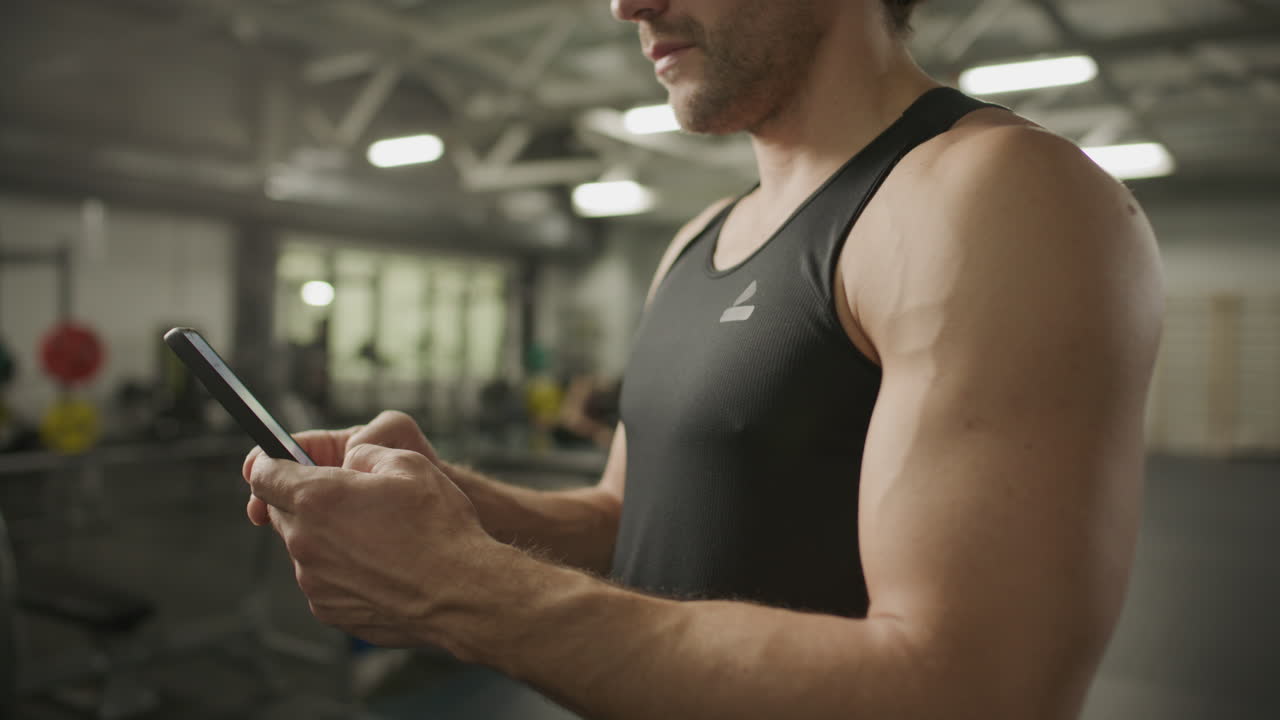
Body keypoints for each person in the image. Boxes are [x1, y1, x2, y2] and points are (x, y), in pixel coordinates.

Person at [242, 1, 1164, 717]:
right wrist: (448, 509)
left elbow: (972, 694)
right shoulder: (699, 239)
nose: (626, 6)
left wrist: (459, 586)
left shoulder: (994, 193)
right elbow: (625, 516)